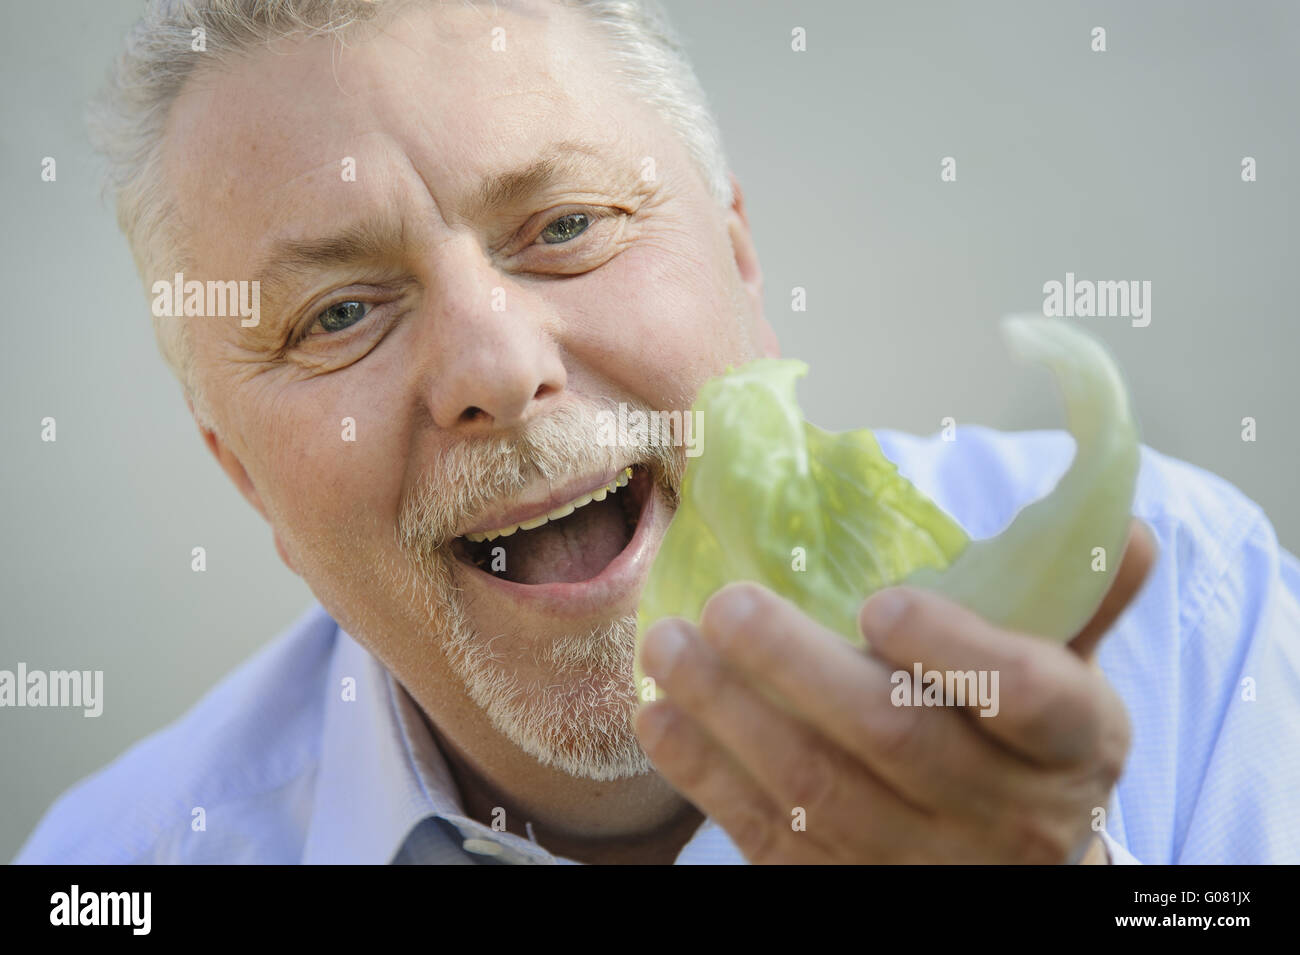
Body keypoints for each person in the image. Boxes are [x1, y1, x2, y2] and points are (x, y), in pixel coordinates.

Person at [16, 0, 1299, 865]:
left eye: (566, 226)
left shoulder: (1194, 612)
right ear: (242, 478)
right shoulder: (107, 865)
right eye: (339, 312)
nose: (498, 369)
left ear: (739, 255)